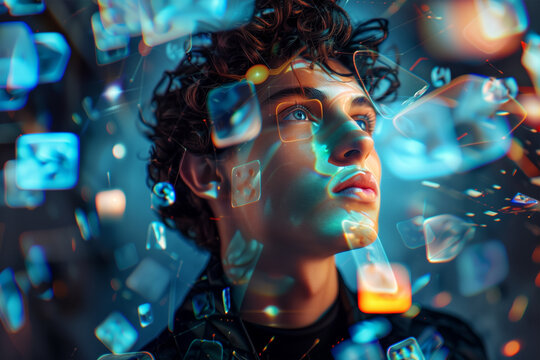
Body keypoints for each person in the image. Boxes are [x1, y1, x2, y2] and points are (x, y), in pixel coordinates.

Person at [142, 0, 487, 359]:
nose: (361, 141)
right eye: (299, 113)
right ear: (208, 173)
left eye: (363, 119)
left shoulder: (450, 349)